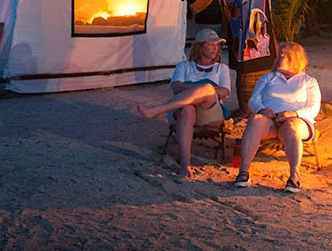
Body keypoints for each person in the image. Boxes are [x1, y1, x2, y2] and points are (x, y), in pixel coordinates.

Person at [137, 28, 231, 179]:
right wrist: (202, 89)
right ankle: (186, 164)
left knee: (207, 88)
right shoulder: (184, 66)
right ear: (200, 46)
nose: (215, 48)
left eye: (217, 45)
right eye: (211, 44)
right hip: (184, 111)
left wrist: (201, 89)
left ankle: (159, 109)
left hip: (210, 112)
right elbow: (176, 87)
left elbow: (223, 92)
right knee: (188, 108)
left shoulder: (221, 68)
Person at [233, 42, 321, 193]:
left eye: (284, 55)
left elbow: (314, 108)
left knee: (291, 128)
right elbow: (253, 100)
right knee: (255, 120)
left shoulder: (308, 81)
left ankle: (294, 176)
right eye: (279, 55)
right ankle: (243, 172)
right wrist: (262, 109)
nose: (279, 57)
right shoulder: (268, 78)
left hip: (296, 119)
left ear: (295, 59)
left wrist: (294, 114)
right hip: (270, 119)